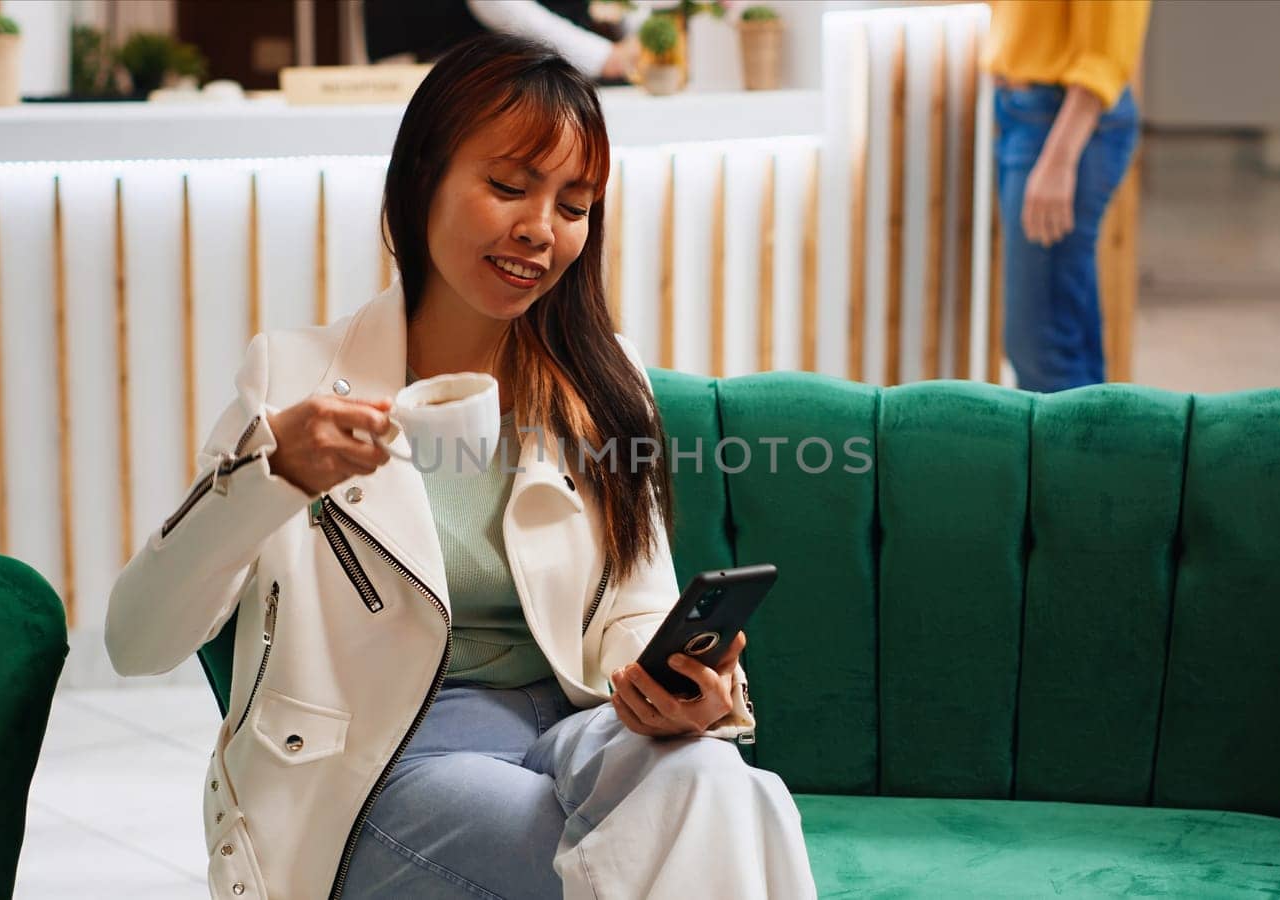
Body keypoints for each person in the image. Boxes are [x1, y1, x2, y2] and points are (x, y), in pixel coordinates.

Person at [105, 33, 816, 900]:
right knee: (623, 850)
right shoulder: (293, 379)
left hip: (577, 728)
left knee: (718, 786)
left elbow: (637, 606)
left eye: (574, 203)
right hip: (386, 762)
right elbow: (136, 641)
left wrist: (695, 696)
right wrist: (272, 472)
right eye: (509, 186)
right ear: (423, 177)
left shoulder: (603, 381)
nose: (540, 230)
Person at [986, 0, 1152, 392]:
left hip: (1062, 121)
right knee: (1057, 328)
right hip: (1027, 111)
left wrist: (1060, 158)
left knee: (1043, 347)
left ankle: (1078, 453)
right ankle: (1097, 449)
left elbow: (1109, 40)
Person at [363, 0, 641, 83]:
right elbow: (495, 5)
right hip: (438, 71)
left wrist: (642, 37)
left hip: (544, 75)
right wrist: (604, 57)